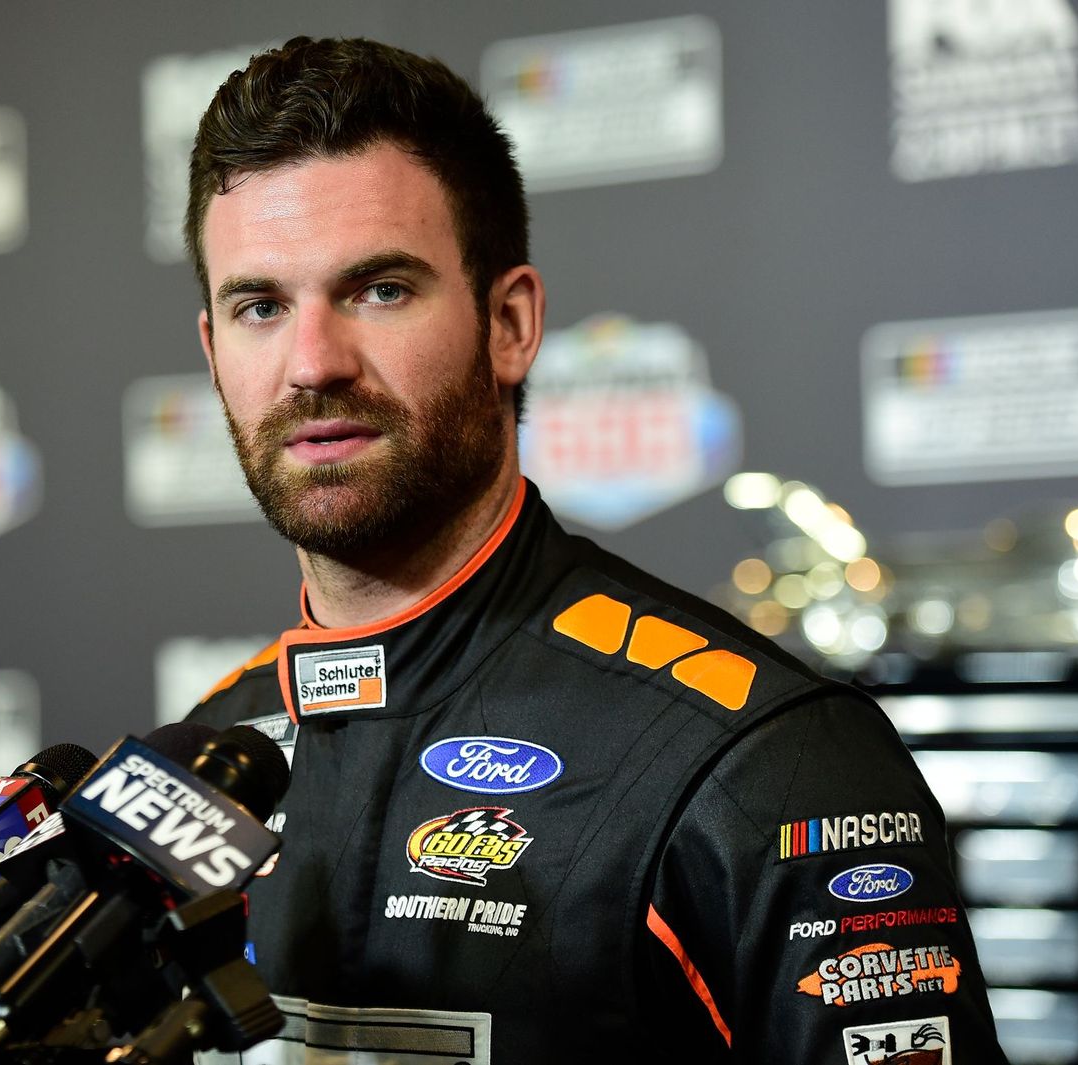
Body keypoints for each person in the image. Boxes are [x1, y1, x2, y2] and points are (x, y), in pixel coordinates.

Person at [184, 36, 1007, 1063]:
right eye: (259, 306)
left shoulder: (764, 762)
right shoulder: (202, 761)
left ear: (510, 324)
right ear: (214, 354)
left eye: (379, 290)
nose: (311, 363)